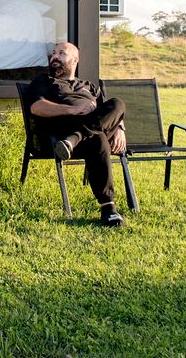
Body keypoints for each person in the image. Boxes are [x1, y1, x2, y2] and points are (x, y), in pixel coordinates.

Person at [27, 41, 128, 227]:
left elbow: (110, 112)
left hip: (75, 140)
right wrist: (72, 110)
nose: (55, 56)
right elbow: (36, 107)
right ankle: (108, 208)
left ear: (75, 60)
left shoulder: (89, 86)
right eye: (54, 53)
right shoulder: (44, 81)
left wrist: (120, 128)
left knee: (118, 103)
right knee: (98, 137)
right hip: (60, 133)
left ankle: (76, 138)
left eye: (61, 53)